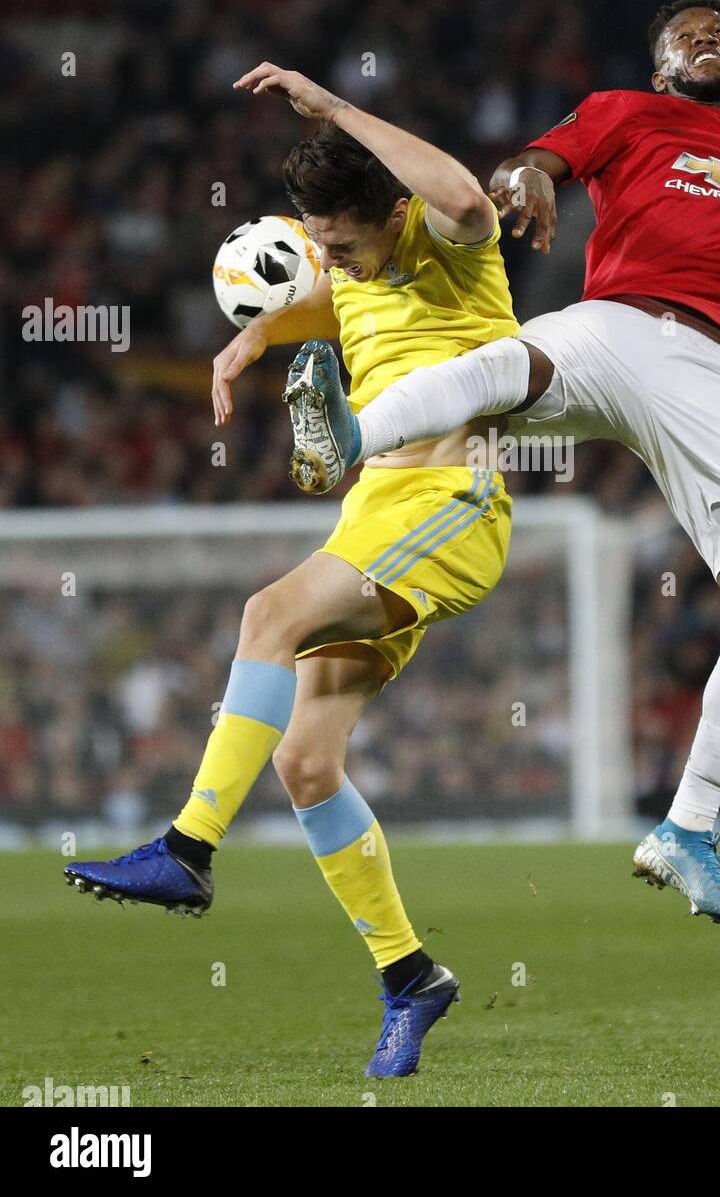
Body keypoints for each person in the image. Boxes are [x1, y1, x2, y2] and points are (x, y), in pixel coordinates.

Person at [292, 0, 720, 928]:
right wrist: (526, 182)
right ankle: (350, 435)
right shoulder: (624, 113)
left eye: (718, 30)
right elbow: (529, 163)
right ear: (660, 69)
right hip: (618, 323)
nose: (704, 37)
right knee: (494, 371)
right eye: (684, 35)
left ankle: (686, 829)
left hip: (712, 372)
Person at [65, 63, 520, 1076]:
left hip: (453, 503)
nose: (333, 262)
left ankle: (185, 850)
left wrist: (332, 107)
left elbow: (465, 199)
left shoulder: (452, 252)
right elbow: (330, 310)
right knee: (306, 762)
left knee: (265, 611)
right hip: (377, 516)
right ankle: (411, 976)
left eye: (344, 243)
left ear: (389, 217)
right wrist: (254, 338)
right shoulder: (348, 273)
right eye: (319, 244)